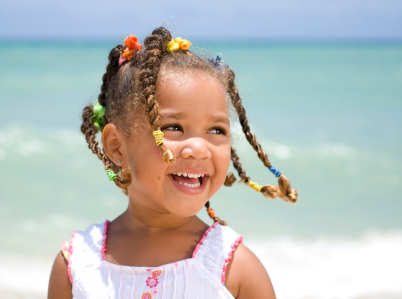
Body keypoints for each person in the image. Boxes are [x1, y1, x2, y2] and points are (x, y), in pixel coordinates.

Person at [48, 27, 297, 299]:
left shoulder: (235, 270)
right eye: (173, 127)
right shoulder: (77, 264)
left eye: (217, 130)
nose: (199, 149)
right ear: (116, 146)